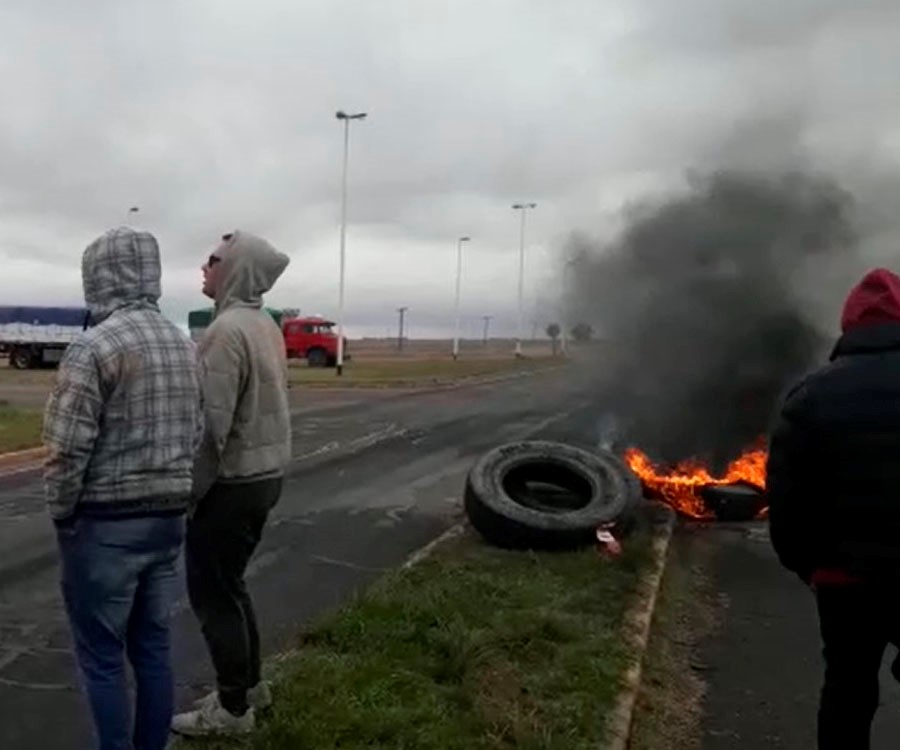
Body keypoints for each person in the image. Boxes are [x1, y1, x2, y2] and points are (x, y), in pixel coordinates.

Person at [44, 228, 203, 750]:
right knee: (153, 646)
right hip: (168, 517)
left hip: (106, 523)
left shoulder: (93, 347)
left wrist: (64, 514)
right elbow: (198, 430)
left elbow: (67, 448)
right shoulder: (185, 346)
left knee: (103, 657)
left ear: (97, 276)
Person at [767, 267, 900, 750]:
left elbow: (786, 501)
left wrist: (811, 565)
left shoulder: (810, 395)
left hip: (845, 582)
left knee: (847, 690)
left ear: (848, 327)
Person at [172, 230, 291, 737]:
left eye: (214, 260)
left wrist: (189, 492)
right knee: (233, 586)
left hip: (232, 483)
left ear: (235, 269)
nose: (205, 266)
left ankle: (232, 711)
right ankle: (249, 686)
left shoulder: (225, 331)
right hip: (265, 476)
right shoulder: (263, 324)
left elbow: (209, 428)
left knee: (213, 594)